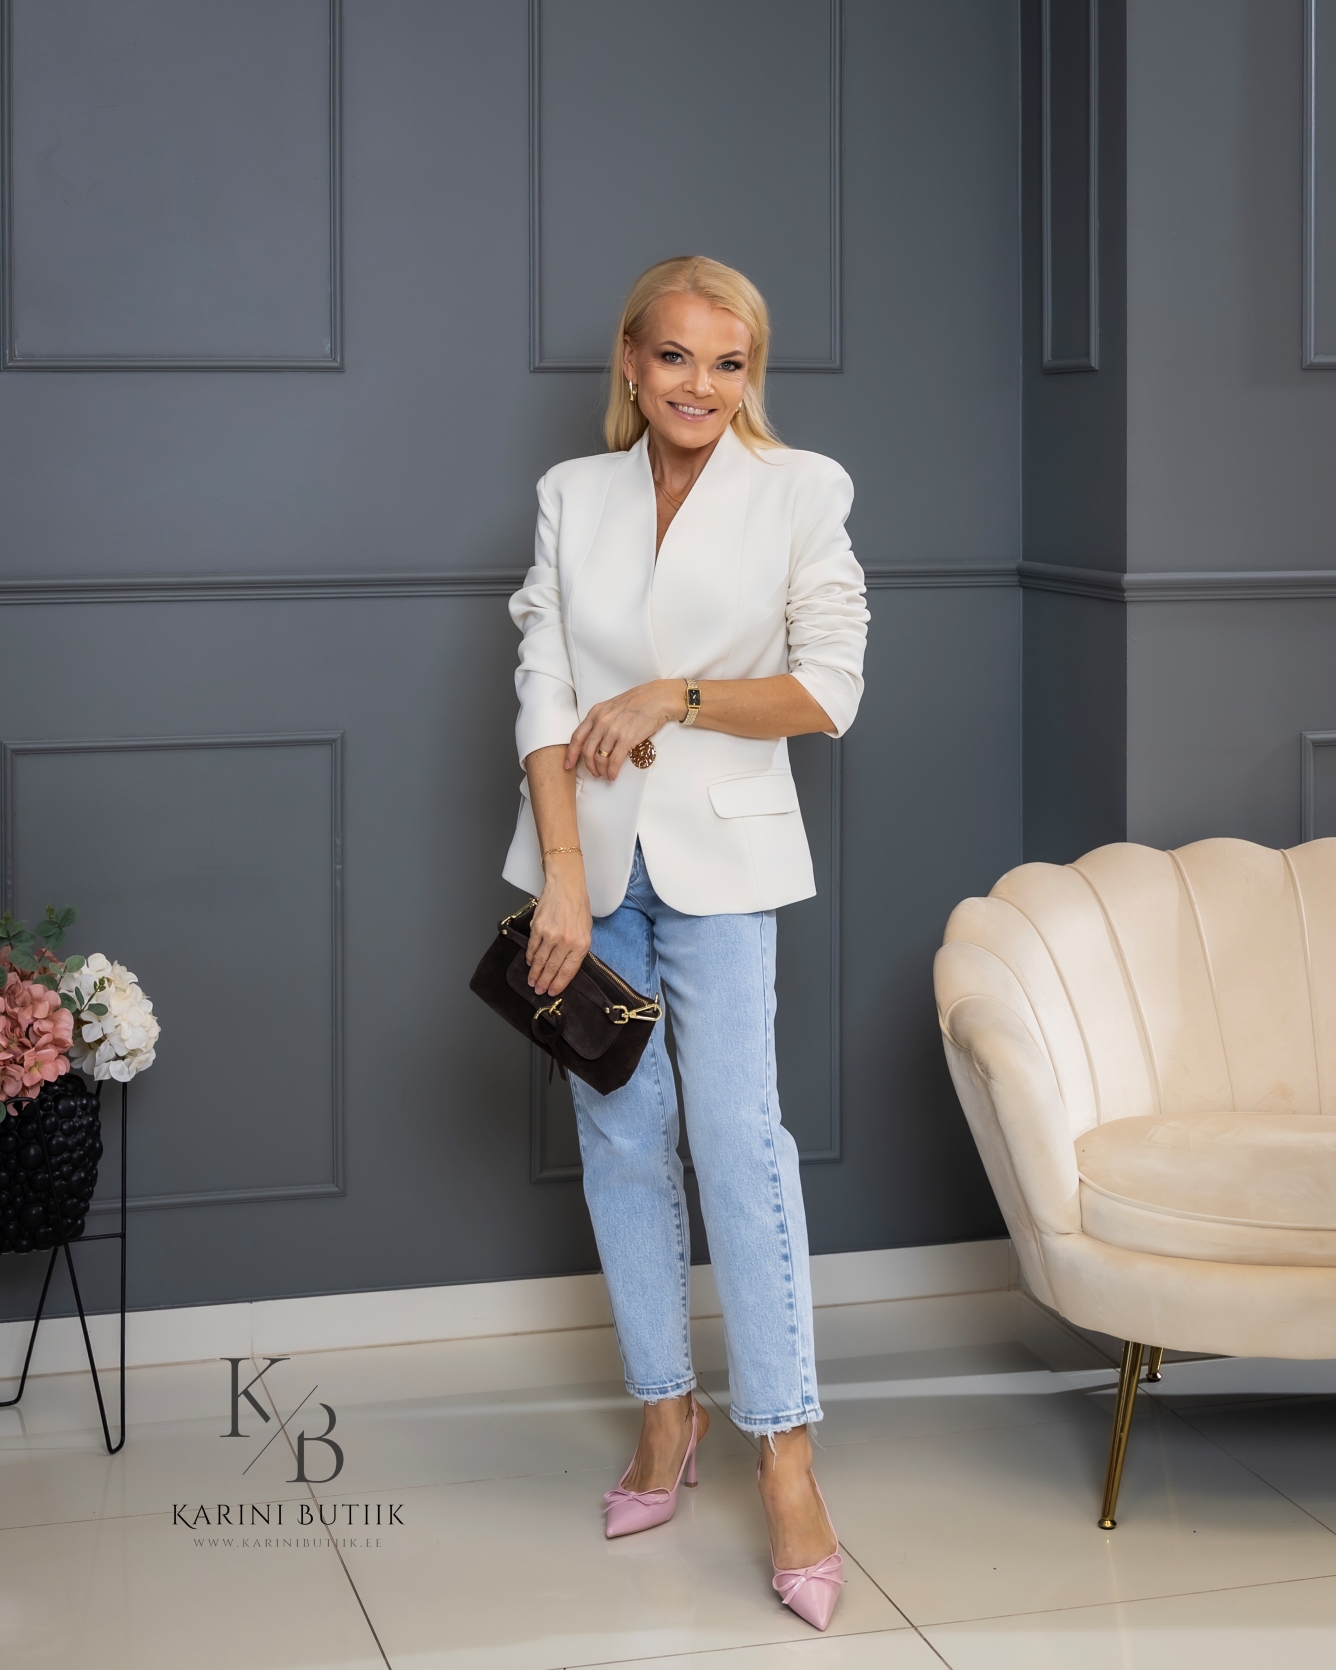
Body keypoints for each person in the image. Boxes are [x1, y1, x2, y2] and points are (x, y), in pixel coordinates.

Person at [503, 255, 868, 1630]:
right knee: (616, 1138)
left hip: (725, 863)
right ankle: (667, 1416)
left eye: (727, 362)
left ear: (749, 373)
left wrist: (679, 695)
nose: (699, 385)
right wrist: (564, 879)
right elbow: (543, 687)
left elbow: (828, 689)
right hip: (589, 870)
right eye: (674, 357)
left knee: (738, 1141)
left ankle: (787, 1457)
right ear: (631, 361)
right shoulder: (572, 494)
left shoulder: (801, 489)